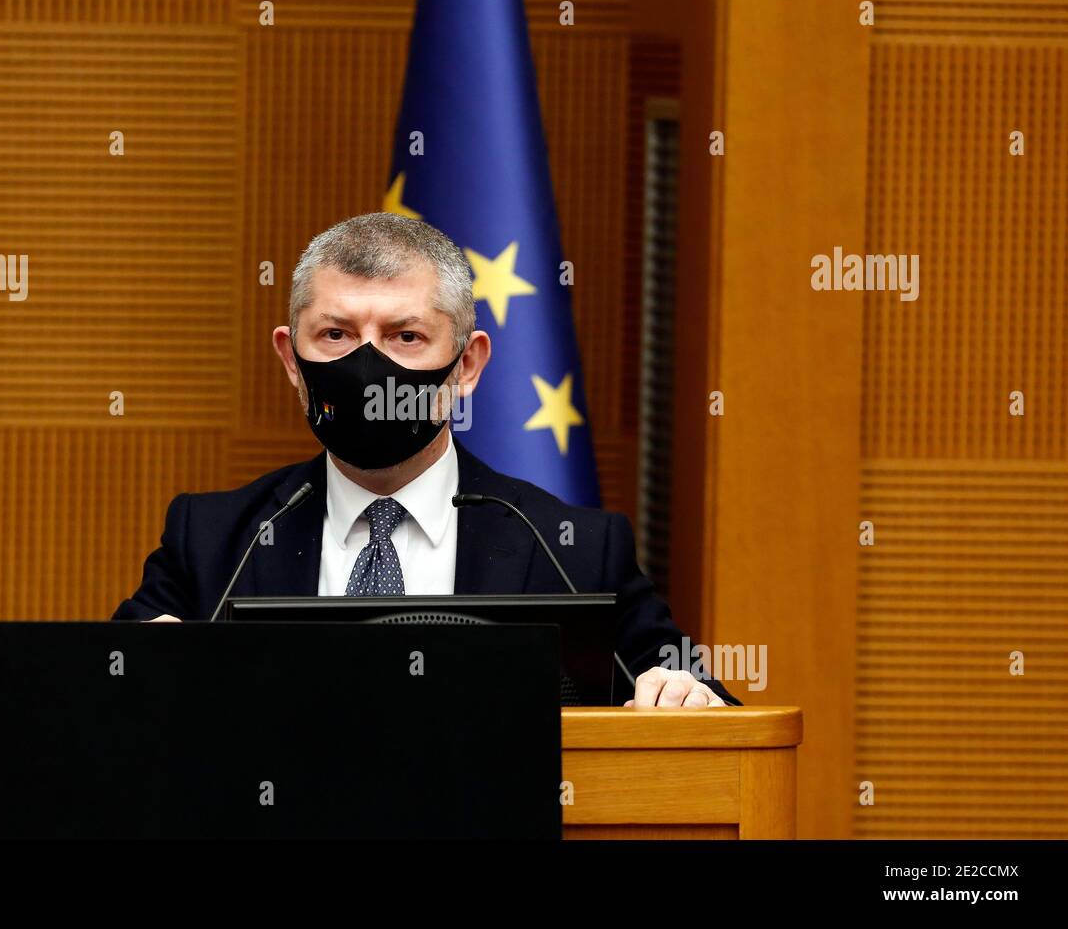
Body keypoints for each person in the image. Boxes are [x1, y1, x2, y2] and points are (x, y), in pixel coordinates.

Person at [114, 212, 739, 708]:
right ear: (290, 359)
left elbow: (705, 714)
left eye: (404, 337)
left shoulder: (573, 549)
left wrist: (686, 693)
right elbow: (98, 702)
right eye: (335, 335)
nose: (367, 368)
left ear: (466, 363)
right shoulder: (213, 540)